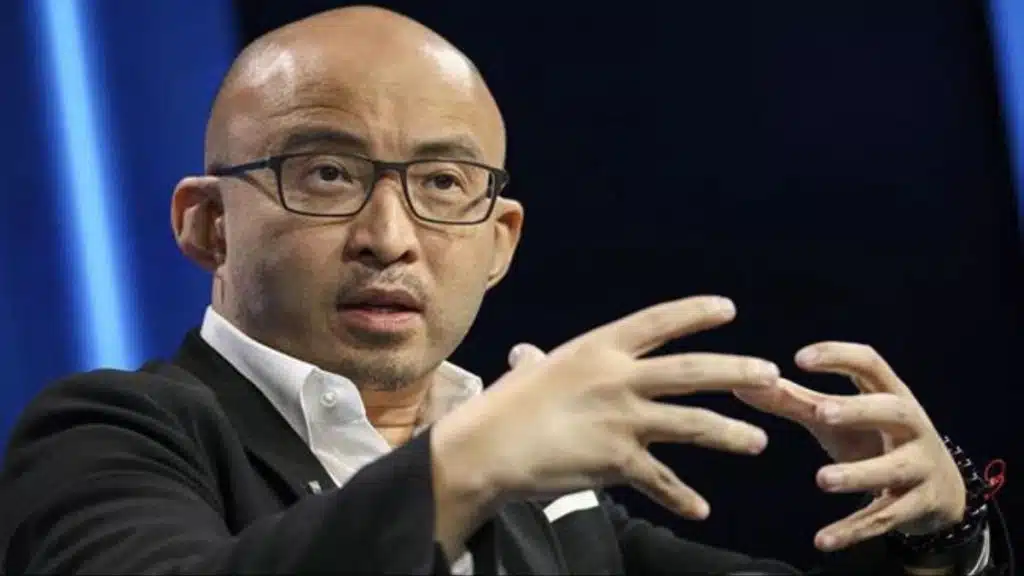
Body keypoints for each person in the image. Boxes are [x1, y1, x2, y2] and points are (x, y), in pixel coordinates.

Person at [0, 6, 1005, 575]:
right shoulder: (105, 434)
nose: (389, 238)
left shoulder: (551, 505)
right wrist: (466, 462)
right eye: (327, 174)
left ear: (499, 242)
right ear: (206, 223)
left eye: (443, 185)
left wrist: (941, 532)